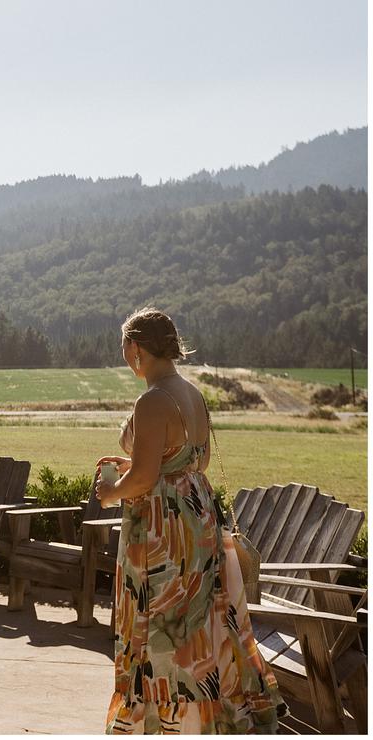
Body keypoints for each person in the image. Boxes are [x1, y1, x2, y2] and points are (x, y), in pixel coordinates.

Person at [95, 307, 283, 733]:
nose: (125, 355)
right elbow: (191, 464)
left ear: (136, 348)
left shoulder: (153, 400)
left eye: (125, 346)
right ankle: (205, 721)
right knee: (197, 624)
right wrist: (137, 465)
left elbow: (143, 477)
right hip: (198, 521)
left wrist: (110, 493)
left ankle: (165, 726)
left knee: (157, 625)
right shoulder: (192, 395)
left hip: (162, 533)